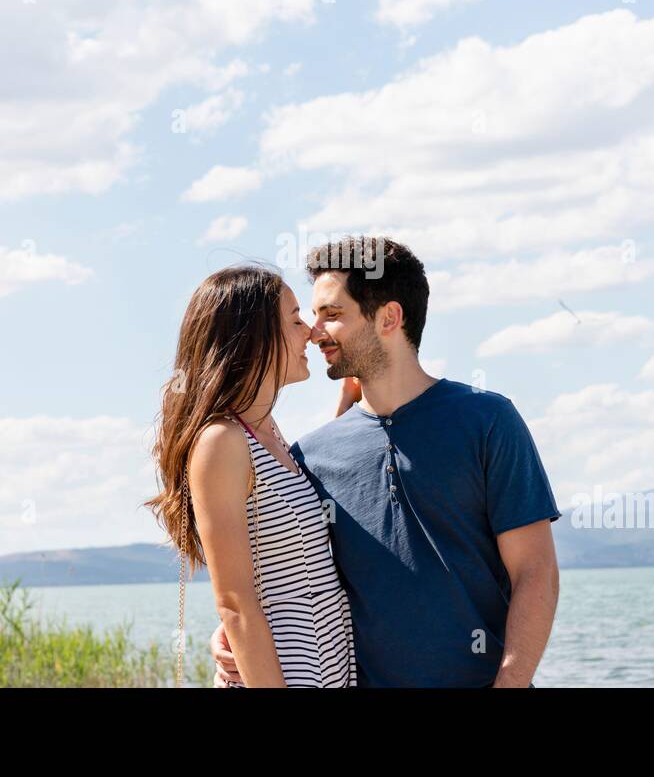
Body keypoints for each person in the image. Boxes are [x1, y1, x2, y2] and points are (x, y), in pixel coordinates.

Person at [211, 237, 561, 687]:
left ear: (389, 318)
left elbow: (536, 573)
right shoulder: (310, 457)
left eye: (332, 315)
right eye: (312, 315)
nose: (314, 331)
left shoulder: (488, 421)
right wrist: (226, 637)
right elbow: (288, 576)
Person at [146, 264, 355, 687]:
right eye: (295, 319)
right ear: (253, 337)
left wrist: (351, 402)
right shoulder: (221, 441)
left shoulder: (268, 434)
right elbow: (236, 602)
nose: (311, 334)